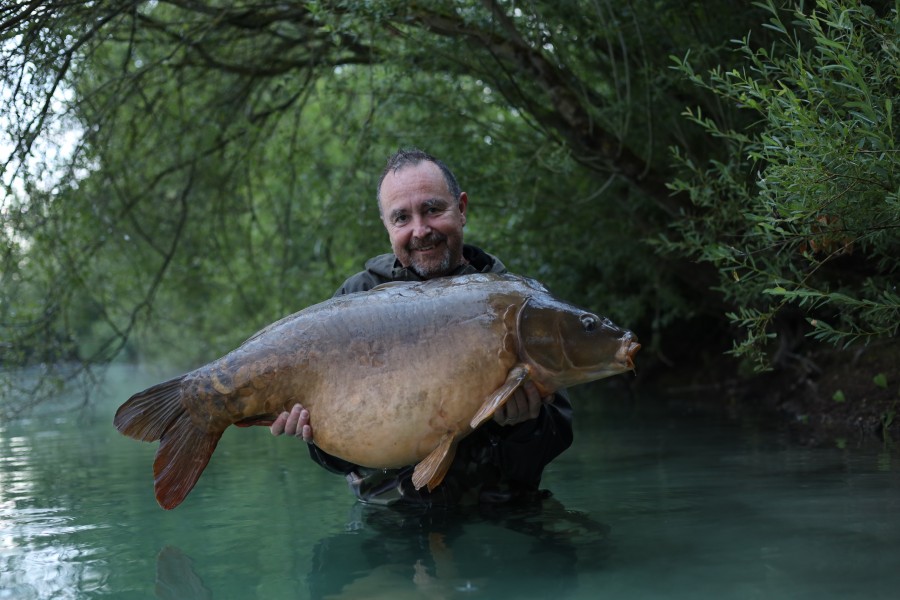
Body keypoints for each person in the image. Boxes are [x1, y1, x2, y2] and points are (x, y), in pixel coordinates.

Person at [271, 148, 573, 506]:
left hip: (500, 513)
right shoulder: (355, 301)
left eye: (432, 209)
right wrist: (312, 435)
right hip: (391, 526)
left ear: (461, 209)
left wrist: (525, 425)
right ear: (387, 227)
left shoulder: (514, 301)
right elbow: (338, 462)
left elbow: (557, 437)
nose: (420, 230)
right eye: (402, 218)